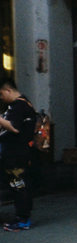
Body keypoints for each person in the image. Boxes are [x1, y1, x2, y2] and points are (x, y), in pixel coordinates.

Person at [0, 78, 37, 231]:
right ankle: (23, 217)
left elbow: (14, 128)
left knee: (18, 185)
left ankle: (23, 219)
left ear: (8, 90)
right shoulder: (23, 104)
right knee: (19, 185)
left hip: (15, 154)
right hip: (17, 152)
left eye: (1, 94)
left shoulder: (19, 106)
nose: (1, 98)